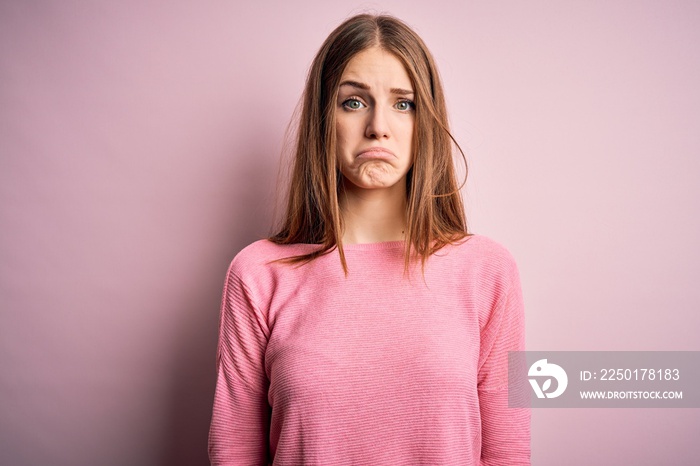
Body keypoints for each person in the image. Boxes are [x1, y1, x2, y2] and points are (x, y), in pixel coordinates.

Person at [208, 13, 530, 465]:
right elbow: (235, 451)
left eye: (404, 104)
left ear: (426, 124)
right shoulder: (257, 274)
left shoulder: (488, 271)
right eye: (354, 102)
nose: (379, 125)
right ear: (325, 119)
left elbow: (507, 452)